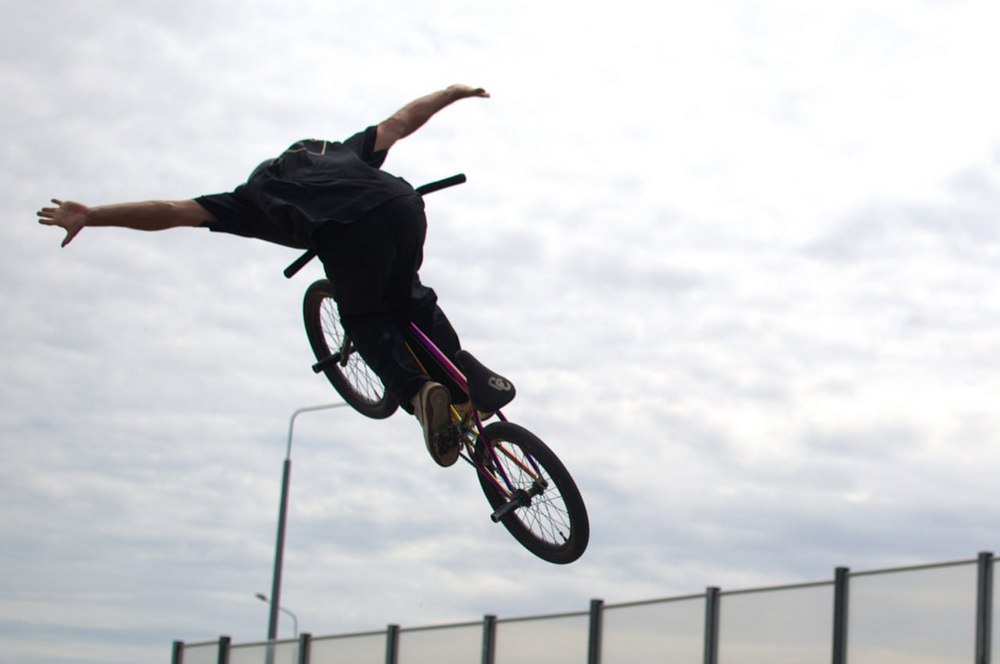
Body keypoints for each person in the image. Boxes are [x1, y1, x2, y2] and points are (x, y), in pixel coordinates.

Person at [37, 83, 494, 467]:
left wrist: (91, 215)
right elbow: (401, 121)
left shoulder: (252, 197)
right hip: (403, 206)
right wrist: (453, 92)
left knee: (364, 318)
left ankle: (419, 393)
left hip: (348, 236)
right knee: (409, 297)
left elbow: (170, 212)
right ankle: (465, 377)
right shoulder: (341, 152)